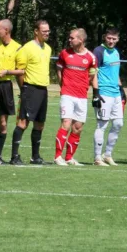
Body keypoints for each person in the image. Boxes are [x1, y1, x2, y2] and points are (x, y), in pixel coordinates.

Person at [54, 28, 97, 166]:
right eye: (70, 37)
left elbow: (92, 75)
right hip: (67, 94)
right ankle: (57, 157)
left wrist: (96, 92)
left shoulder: (91, 57)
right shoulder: (65, 53)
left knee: (78, 127)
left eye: (72, 38)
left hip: (82, 96)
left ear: (81, 40)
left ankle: (69, 157)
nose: (69, 40)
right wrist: (64, 86)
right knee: (66, 123)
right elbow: (59, 71)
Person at [11, 20, 52, 165]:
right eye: (44, 31)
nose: (47, 33)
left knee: (40, 124)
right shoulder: (26, 48)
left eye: (48, 31)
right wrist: (24, 89)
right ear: (36, 31)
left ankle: (35, 156)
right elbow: (20, 72)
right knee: (23, 123)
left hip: (43, 90)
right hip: (30, 89)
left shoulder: (48, 48)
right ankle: (14, 156)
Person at [0, 19, 22, 164]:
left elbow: (22, 70)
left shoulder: (18, 47)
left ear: (6, 30)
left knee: (3, 123)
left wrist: (8, 71)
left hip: (6, 86)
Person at [91, 28, 125, 166]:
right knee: (102, 124)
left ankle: (108, 155)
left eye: (114, 39)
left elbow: (115, 72)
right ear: (105, 37)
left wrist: (121, 89)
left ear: (118, 39)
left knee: (118, 124)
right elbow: (93, 72)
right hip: (104, 93)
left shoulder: (116, 52)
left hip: (116, 93)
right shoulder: (99, 51)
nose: (111, 41)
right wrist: (95, 93)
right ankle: (97, 158)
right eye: (109, 38)